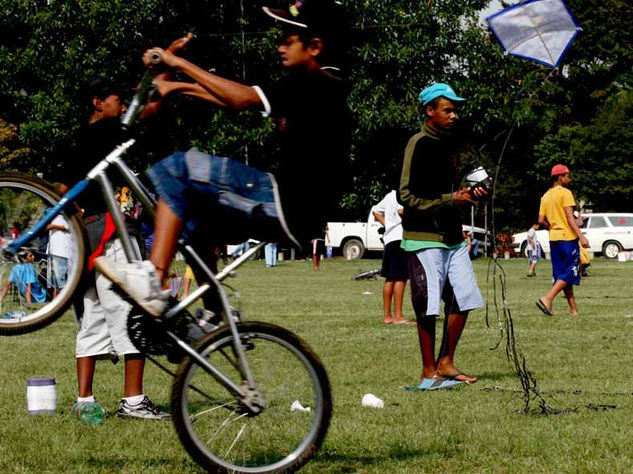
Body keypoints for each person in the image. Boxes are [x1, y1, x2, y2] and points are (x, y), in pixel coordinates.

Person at [95, 0, 350, 316]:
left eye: (288, 39)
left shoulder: (317, 83)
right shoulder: (320, 83)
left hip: (285, 201)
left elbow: (241, 98)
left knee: (176, 167)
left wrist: (177, 63)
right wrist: (177, 88)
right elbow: (234, 99)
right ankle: (216, 316)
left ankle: (153, 279)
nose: (279, 45)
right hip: (296, 212)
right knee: (191, 222)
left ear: (314, 46)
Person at [66, 76, 170, 420]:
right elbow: (147, 111)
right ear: (98, 102)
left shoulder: (79, 140)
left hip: (89, 239)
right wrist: (166, 78)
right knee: (133, 313)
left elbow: (64, 189)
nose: (122, 106)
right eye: (115, 99)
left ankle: (84, 401)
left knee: (94, 317)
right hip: (114, 237)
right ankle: (134, 401)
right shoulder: (106, 132)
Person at [399, 83, 487, 391]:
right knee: (427, 306)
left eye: (455, 110)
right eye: (447, 109)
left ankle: (446, 363)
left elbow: (456, 190)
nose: (454, 115)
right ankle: (428, 372)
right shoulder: (418, 143)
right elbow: (406, 195)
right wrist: (451, 199)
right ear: (430, 111)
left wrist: (473, 193)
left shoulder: (451, 145)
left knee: (464, 298)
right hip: (423, 237)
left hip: (453, 237)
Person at [536, 164, 589, 316]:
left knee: (562, 275)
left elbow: (541, 220)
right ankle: (548, 297)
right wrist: (581, 236)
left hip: (554, 239)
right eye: (567, 176)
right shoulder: (566, 193)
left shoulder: (546, 196)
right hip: (568, 239)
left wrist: (552, 227)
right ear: (560, 177)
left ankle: (573, 310)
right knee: (571, 272)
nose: (569, 178)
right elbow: (570, 218)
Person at [372, 190, 413, 325]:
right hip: (400, 238)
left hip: (390, 239)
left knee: (390, 278)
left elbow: (376, 211)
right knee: (401, 278)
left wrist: (387, 225)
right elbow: (402, 211)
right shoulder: (403, 194)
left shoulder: (389, 195)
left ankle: (387, 316)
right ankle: (398, 316)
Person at [46, 215, 71, 298]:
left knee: (61, 281)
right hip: (52, 250)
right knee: (54, 282)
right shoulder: (51, 215)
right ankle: (55, 301)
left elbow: (69, 227)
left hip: (61, 251)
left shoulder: (65, 214)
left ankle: (64, 301)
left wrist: (54, 226)